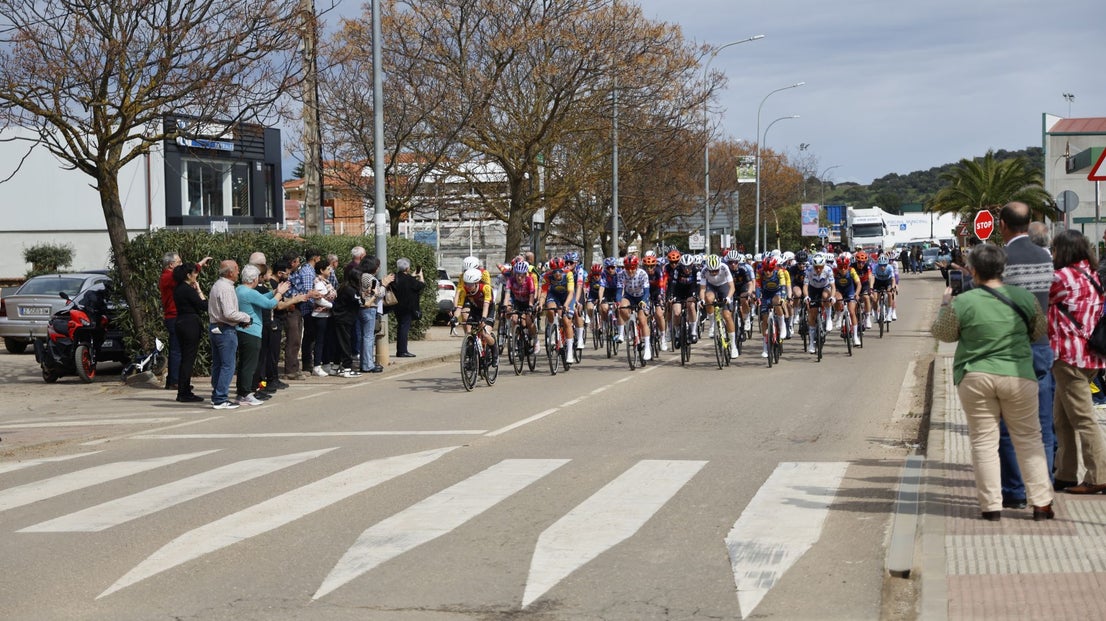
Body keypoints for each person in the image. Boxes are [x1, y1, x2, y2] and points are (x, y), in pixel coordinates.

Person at [931, 243, 1054, 521]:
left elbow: (944, 334)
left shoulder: (963, 301)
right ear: (1003, 268)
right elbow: (1038, 332)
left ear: (973, 271)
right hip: (1018, 375)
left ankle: (991, 507)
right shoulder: (1023, 297)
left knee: (984, 442)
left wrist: (944, 304)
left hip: (976, 377)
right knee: (1029, 439)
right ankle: (1042, 504)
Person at [995, 202, 1057, 509]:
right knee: (1042, 424)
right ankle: (1042, 492)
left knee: (1009, 426)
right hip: (1041, 346)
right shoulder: (1046, 257)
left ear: (1003, 225)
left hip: (1010, 349)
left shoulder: (1001, 259)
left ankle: (1015, 492)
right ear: (1029, 222)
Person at [1048, 230, 1106, 494]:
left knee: (1083, 418)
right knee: (1062, 418)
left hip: (1069, 356)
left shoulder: (1061, 278)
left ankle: (1099, 475)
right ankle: (1066, 473)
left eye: (1055, 250)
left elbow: (1035, 299)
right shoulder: (1093, 277)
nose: (1052, 254)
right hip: (1091, 356)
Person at [236, 264, 290, 405]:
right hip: (251, 331)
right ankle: (247, 393)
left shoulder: (240, 290)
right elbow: (269, 304)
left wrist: (274, 292)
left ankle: (241, 393)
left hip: (242, 331)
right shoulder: (249, 292)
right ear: (254, 279)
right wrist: (280, 293)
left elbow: (261, 298)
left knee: (244, 363)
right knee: (250, 365)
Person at [159, 252, 211, 390]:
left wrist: (199, 265)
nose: (181, 265)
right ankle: (175, 381)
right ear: (171, 265)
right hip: (174, 316)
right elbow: (184, 273)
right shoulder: (168, 276)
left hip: (176, 316)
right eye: (179, 262)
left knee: (178, 350)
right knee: (177, 351)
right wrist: (199, 265)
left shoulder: (172, 279)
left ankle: (174, 380)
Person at [208, 260, 251, 410]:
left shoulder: (217, 285)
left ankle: (216, 396)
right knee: (228, 365)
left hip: (216, 327)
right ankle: (220, 398)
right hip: (225, 329)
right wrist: (245, 317)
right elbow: (229, 313)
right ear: (230, 272)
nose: (239, 272)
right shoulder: (225, 288)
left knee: (219, 364)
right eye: (237, 269)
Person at [171, 263, 206, 403]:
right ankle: (184, 392)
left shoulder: (178, 289)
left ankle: (183, 389)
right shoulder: (187, 289)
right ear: (188, 275)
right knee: (188, 359)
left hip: (181, 322)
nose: (196, 276)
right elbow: (203, 305)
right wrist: (199, 291)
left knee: (185, 358)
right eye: (195, 273)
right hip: (190, 324)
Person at [294, 249, 324, 378]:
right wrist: (315, 304)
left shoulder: (310, 271)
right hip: (308, 309)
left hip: (311, 308)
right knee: (309, 336)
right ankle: (307, 363)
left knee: (311, 336)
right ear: (315, 258)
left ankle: (309, 362)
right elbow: (308, 292)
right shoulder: (307, 272)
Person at [389, 257, 425, 357]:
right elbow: (420, 285)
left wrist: (413, 275)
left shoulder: (395, 277)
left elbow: (405, 281)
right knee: (404, 328)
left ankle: (400, 350)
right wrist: (421, 276)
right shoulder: (409, 280)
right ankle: (402, 351)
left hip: (396, 307)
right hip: (407, 308)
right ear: (407, 268)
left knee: (401, 327)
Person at [309, 260, 337, 376]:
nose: (330, 271)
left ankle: (326, 364)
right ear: (321, 270)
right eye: (328, 269)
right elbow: (319, 299)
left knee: (327, 340)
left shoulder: (325, 281)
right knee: (320, 341)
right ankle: (317, 366)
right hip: (320, 316)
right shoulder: (318, 283)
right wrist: (332, 306)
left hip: (327, 315)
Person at [358, 256, 385, 373]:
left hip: (361, 307)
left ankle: (365, 362)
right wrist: (384, 285)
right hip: (370, 307)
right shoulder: (372, 279)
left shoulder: (361, 276)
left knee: (364, 337)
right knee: (368, 337)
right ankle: (368, 364)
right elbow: (379, 294)